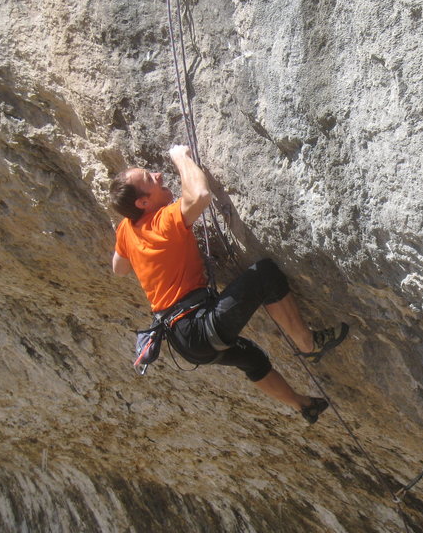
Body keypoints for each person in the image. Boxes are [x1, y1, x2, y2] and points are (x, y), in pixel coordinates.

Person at [109, 145, 347, 424]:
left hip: (182, 341)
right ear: (143, 203)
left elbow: (119, 268)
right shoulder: (163, 222)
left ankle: (303, 405)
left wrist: (136, 248)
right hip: (197, 326)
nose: (159, 176)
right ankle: (308, 344)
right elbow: (199, 195)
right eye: (151, 179)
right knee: (264, 274)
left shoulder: (128, 228)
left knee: (253, 360)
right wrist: (180, 157)